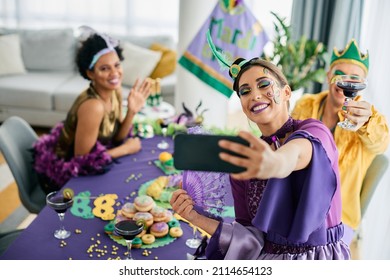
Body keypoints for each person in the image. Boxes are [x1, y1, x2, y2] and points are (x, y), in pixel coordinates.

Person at [170, 32, 350, 260]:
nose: (254, 95)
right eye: (244, 91)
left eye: (263, 84)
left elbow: (295, 155)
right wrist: (194, 217)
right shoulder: (245, 164)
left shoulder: (314, 131)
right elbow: (249, 240)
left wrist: (274, 164)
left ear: (286, 92)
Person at [291, 39, 390, 245]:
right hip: (298, 205)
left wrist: (367, 121)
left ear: (362, 84)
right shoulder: (306, 104)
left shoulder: (369, 118)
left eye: (354, 78)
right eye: (339, 74)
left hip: (338, 220)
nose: (345, 81)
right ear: (329, 76)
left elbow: (381, 143)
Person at [33, 27, 151, 193]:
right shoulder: (93, 106)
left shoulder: (114, 91)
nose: (114, 73)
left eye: (117, 65)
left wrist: (132, 111)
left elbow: (116, 138)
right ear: (90, 73)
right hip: (66, 179)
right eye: (104, 68)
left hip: (91, 167)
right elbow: (82, 162)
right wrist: (126, 149)